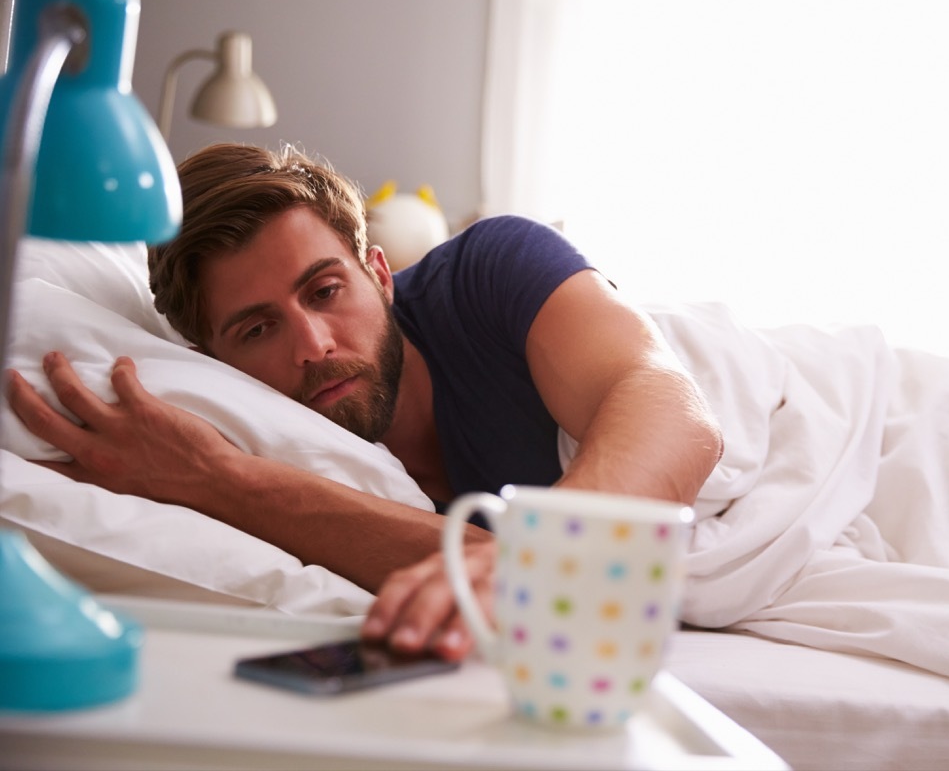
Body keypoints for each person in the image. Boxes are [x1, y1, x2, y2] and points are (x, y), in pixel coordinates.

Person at [5, 142, 724, 661]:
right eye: (258, 329)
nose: (312, 344)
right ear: (212, 362)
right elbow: (498, 567)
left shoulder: (492, 269)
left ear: (378, 272)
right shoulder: (283, 438)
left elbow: (671, 407)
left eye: (324, 291)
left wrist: (556, 546)